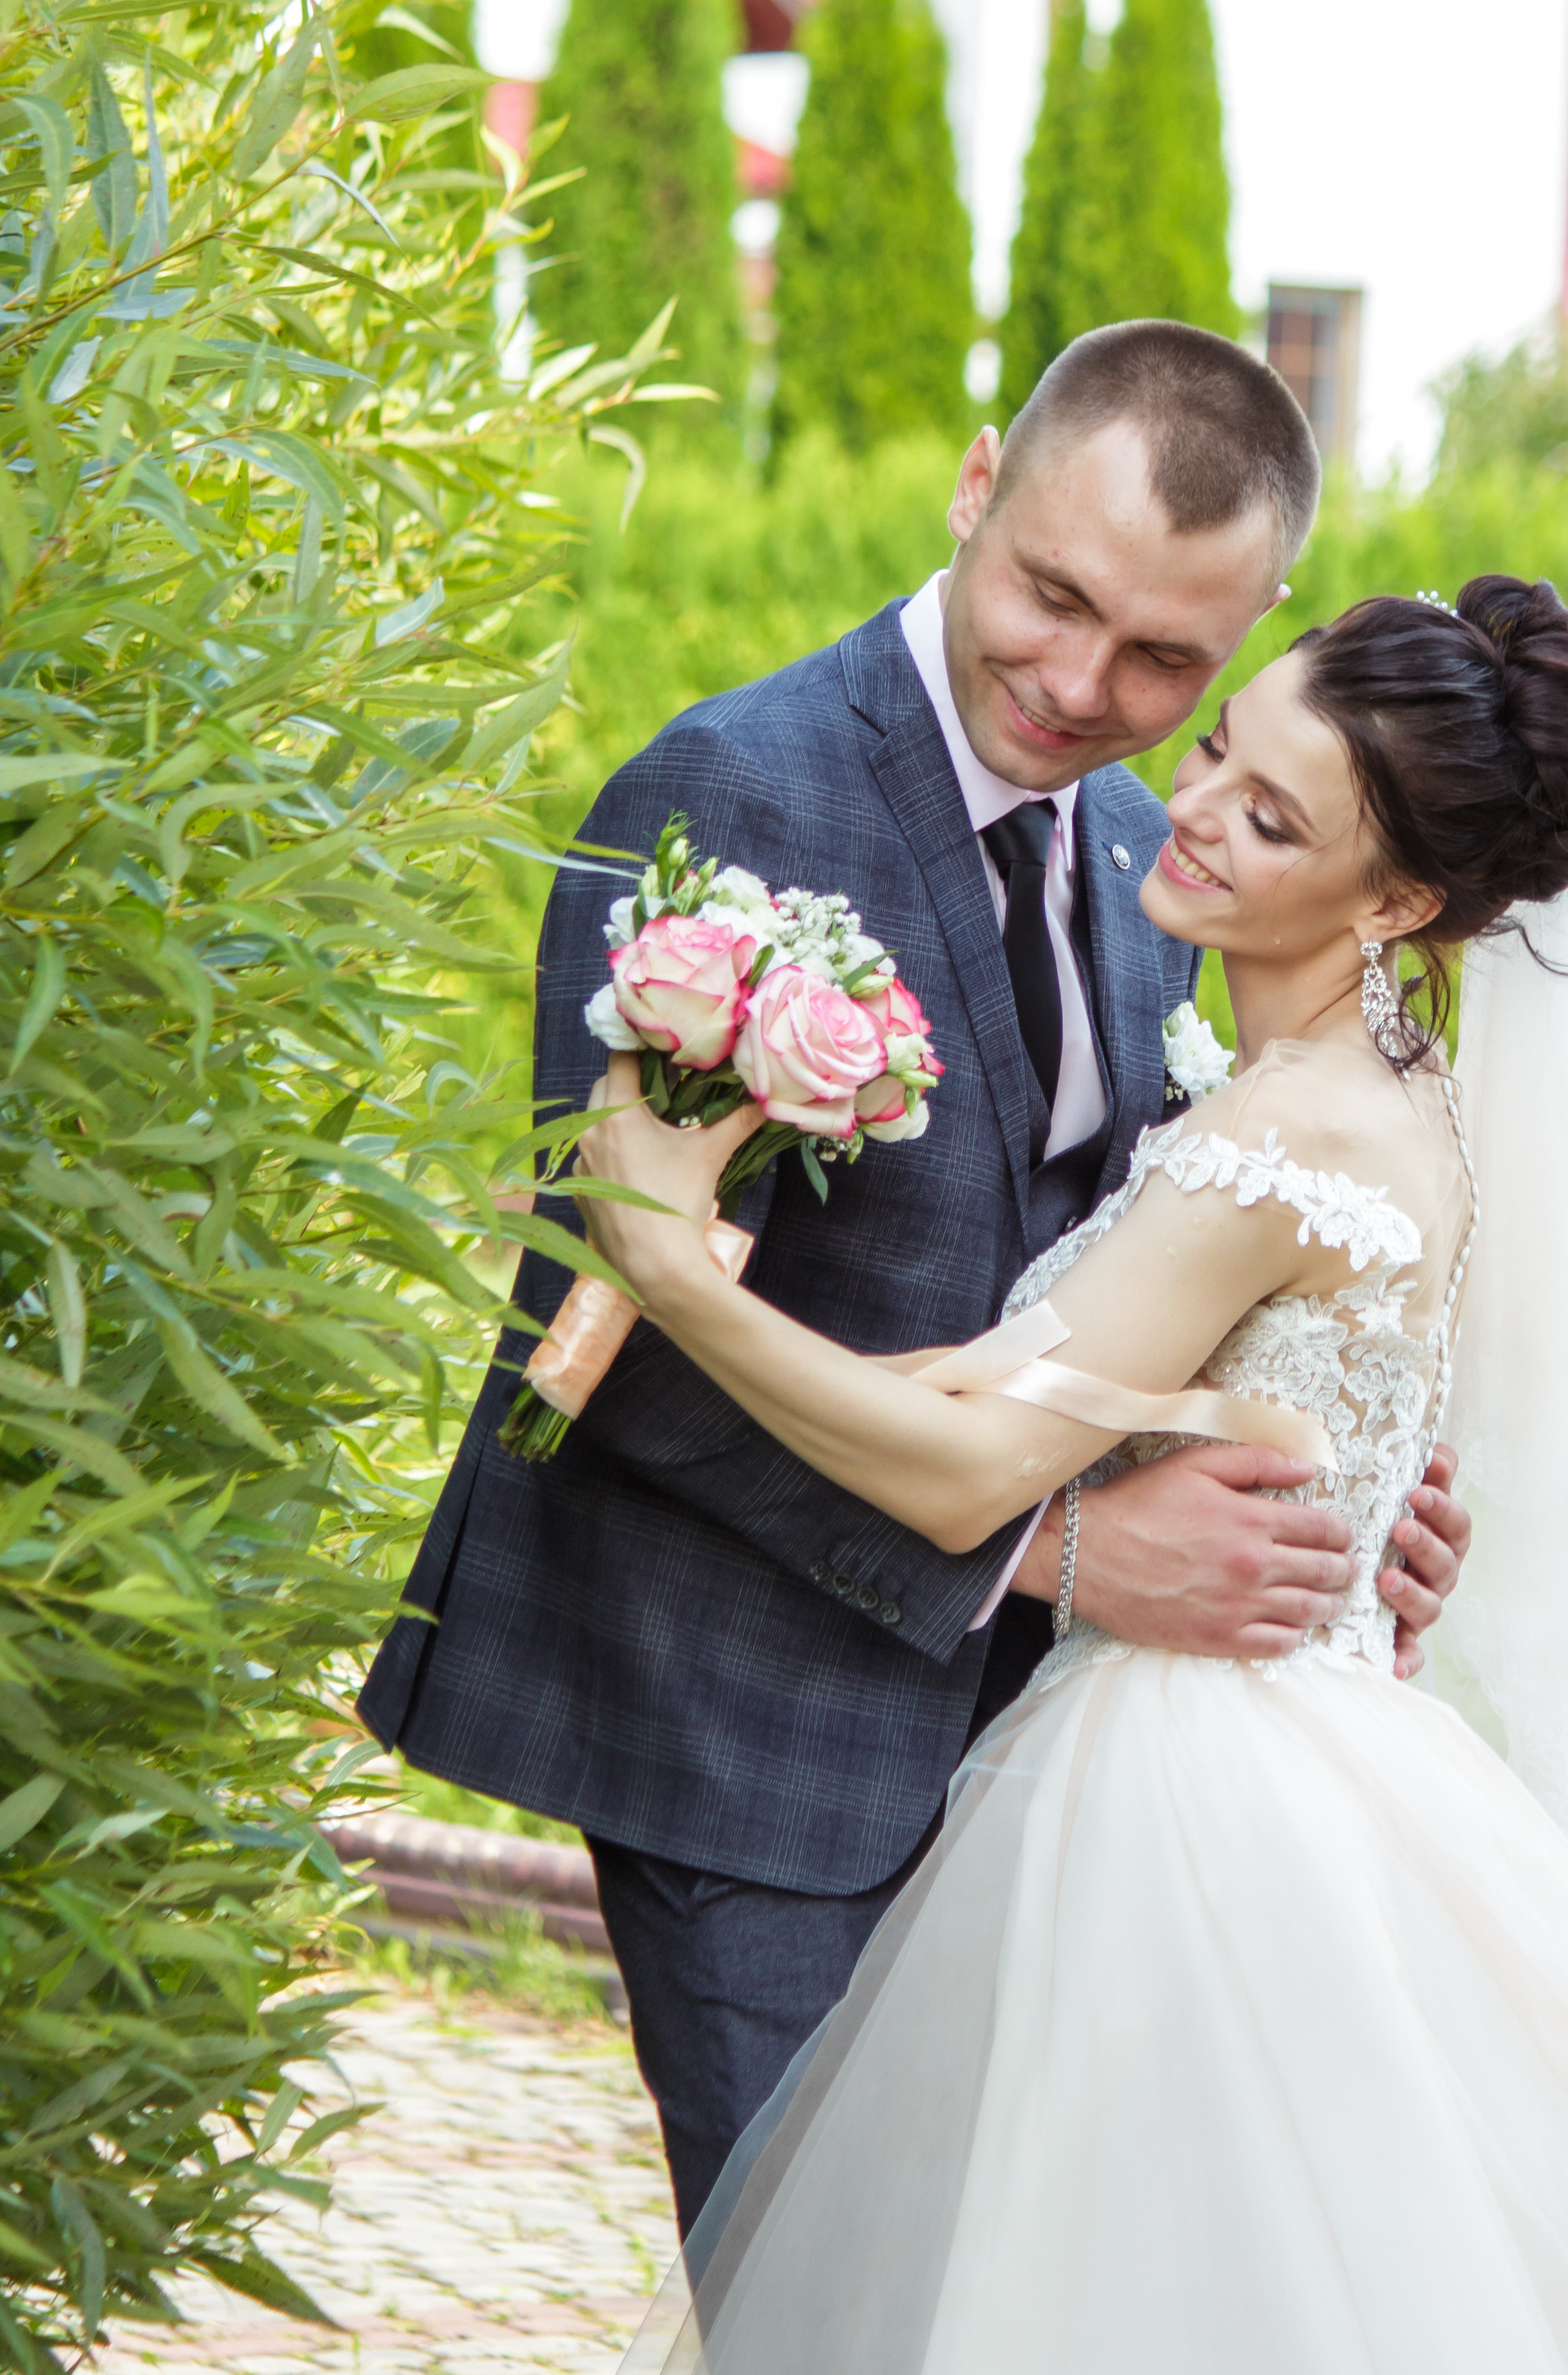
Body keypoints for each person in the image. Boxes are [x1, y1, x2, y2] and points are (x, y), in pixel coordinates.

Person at [578, 576, 1568, 2371]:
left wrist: (665, 1271)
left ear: (1400, 899)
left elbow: (975, 1467)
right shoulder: (1371, 1080)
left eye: (1270, 815)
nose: (1189, 807)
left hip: (1190, 1788)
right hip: (1312, 1743)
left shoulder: (1284, 1136)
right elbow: (1066, 1380)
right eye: (1217, 751)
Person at [355, 321, 1474, 2231]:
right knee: (829, 2300)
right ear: (974, 487)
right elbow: (600, 1336)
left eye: (1164, 662)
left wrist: (1321, 1476)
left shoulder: (1155, 854)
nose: (1079, 682)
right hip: (746, 1736)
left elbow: (1111, 1297)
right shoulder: (735, 797)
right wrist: (1046, 1557)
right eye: (1051, 595)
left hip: (1051, 1768)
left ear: (1248, 634)